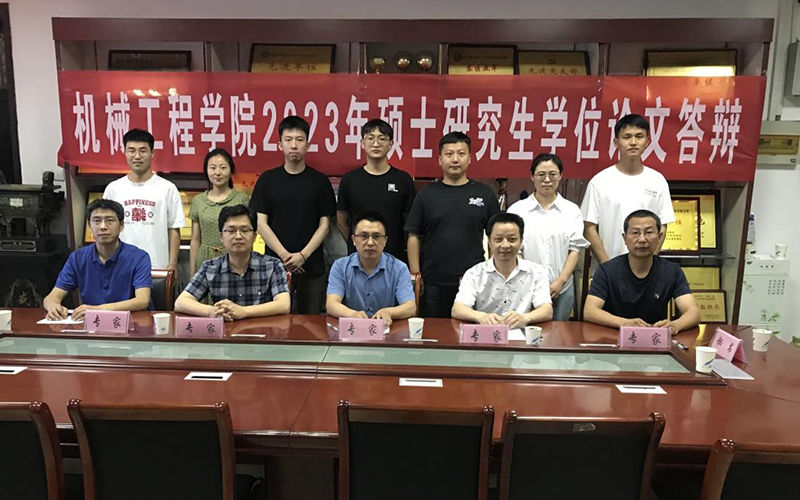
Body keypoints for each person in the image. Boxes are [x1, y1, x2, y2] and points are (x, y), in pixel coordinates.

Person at [405, 132, 501, 318]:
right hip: (433, 281)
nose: (455, 159)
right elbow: (414, 235)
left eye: (461, 153)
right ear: (440, 159)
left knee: (471, 330)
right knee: (435, 331)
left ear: (469, 158)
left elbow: (495, 236)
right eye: (449, 154)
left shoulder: (485, 194)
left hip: (474, 279)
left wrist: (493, 272)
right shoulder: (426, 195)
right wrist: (416, 275)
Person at [249, 116, 336, 314]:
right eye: (288, 140)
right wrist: (285, 257)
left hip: (312, 267)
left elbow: (325, 226)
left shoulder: (320, 181)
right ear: (280, 145)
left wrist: (303, 256)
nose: (294, 145)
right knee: (273, 320)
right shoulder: (267, 180)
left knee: (311, 323)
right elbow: (260, 223)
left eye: (299, 139)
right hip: (274, 265)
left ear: (307, 145)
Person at [583, 209, 700, 333]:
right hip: (613, 335)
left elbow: (693, 312)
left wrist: (676, 325)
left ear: (659, 237)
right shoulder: (607, 271)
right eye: (635, 233)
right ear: (625, 238)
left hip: (654, 337)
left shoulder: (671, 271)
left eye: (649, 232)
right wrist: (624, 323)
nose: (642, 239)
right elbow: (589, 311)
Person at [581, 114, 675, 266]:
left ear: (647, 142)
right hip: (608, 269)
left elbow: (663, 225)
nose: (633, 142)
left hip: (646, 270)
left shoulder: (657, 181)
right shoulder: (599, 182)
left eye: (639, 136)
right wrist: (608, 267)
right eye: (627, 137)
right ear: (616, 142)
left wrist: (647, 262)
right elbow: (589, 228)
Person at [508, 153, 589, 321]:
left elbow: (575, 250)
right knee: (524, 332)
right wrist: (531, 282)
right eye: (541, 175)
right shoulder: (517, 210)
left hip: (562, 288)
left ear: (560, 175)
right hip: (525, 288)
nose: (547, 180)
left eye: (552, 174)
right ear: (532, 176)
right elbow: (515, 250)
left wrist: (560, 281)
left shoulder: (571, 210)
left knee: (558, 334)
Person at [175, 205, 290, 320]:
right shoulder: (210, 268)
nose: (238, 236)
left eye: (245, 230)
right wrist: (213, 311)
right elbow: (181, 302)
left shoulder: (273, 265)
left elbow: (284, 304)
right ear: (221, 236)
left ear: (254, 236)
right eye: (231, 230)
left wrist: (243, 311)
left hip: (262, 329)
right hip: (225, 329)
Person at [43, 199, 152, 321]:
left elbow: (142, 301)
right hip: (92, 325)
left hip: (131, 323)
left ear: (121, 225)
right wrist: (53, 307)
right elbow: (51, 297)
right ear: (89, 226)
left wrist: (98, 310)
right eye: (96, 221)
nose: (103, 227)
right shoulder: (78, 258)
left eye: (110, 220)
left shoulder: (139, 257)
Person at [102, 129, 185, 270]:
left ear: (152, 153)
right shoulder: (113, 189)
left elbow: (174, 229)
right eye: (131, 151)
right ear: (124, 152)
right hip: (120, 266)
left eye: (143, 151)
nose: (137, 156)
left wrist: (172, 264)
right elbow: (105, 228)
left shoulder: (167, 188)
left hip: (157, 266)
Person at [452, 213, 553, 328]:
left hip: (521, 334)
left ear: (521, 241)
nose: (505, 245)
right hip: (485, 333)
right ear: (489, 241)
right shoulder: (474, 274)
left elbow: (547, 310)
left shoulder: (537, 272)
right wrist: (480, 316)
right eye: (498, 239)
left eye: (512, 239)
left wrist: (525, 318)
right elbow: (457, 308)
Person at [336, 119, 415, 262]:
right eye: (370, 138)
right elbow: (342, 219)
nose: (376, 143)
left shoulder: (403, 179)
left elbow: (409, 223)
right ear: (362, 143)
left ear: (390, 144)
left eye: (382, 139)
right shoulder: (350, 179)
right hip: (358, 258)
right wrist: (359, 242)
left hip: (393, 258)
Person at [327, 211, 416, 325]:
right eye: (363, 236)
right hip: (352, 330)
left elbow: (410, 307)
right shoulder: (340, 267)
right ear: (354, 240)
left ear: (385, 241)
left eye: (376, 236)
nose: (370, 243)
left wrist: (389, 312)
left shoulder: (399, 268)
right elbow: (331, 304)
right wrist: (353, 314)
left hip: (387, 330)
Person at [189, 148, 250, 273]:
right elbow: (195, 239)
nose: (217, 173)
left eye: (223, 168)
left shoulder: (242, 199)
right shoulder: (198, 201)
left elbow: (247, 235)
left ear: (231, 170)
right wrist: (192, 272)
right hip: (205, 260)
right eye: (212, 168)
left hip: (234, 258)